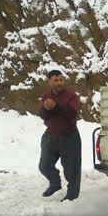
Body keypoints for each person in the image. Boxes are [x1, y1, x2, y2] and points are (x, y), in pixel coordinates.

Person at [37, 70, 82, 202]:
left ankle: (72, 197)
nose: (59, 83)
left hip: (69, 135)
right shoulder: (46, 95)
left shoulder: (71, 96)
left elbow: (72, 114)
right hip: (51, 135)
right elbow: (43, 115)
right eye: (56, 80)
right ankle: (55, 184)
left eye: (61, 80)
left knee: (71, 170)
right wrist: (46, 109)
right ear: (49, 82)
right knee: (44, 165)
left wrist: (56, 106)